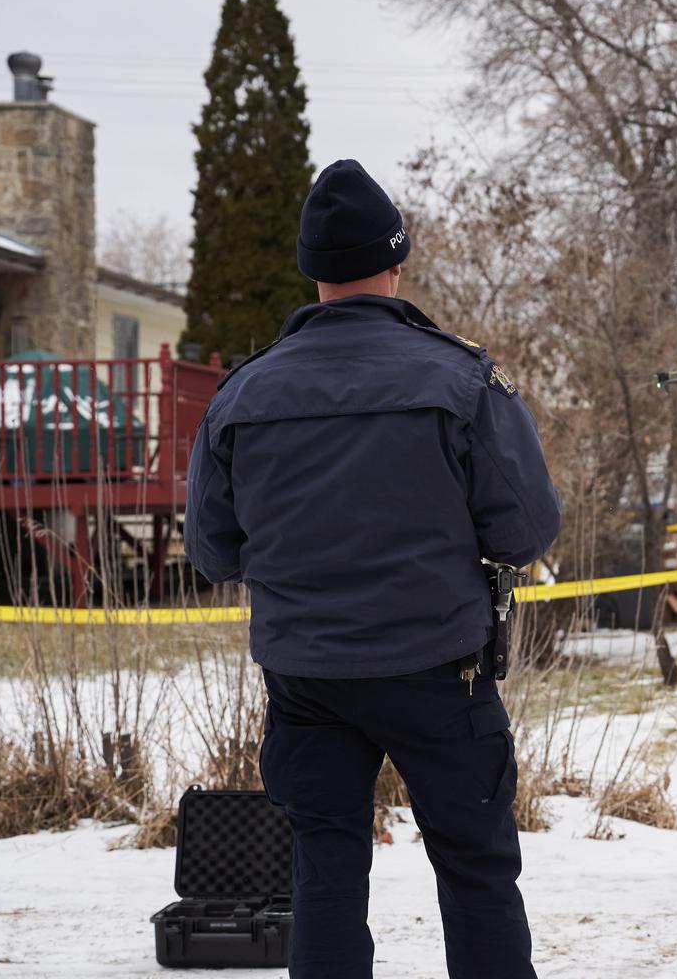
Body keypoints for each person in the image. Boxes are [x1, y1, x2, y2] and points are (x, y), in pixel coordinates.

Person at [184, 159, 561, 979]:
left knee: (322, 874)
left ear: (310, 270)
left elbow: (213, 553)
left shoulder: (239, 397)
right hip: (441, 673)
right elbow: (527, 531)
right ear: (397, 260)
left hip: (306, 678)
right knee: (476, 873)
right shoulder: (462, 380)